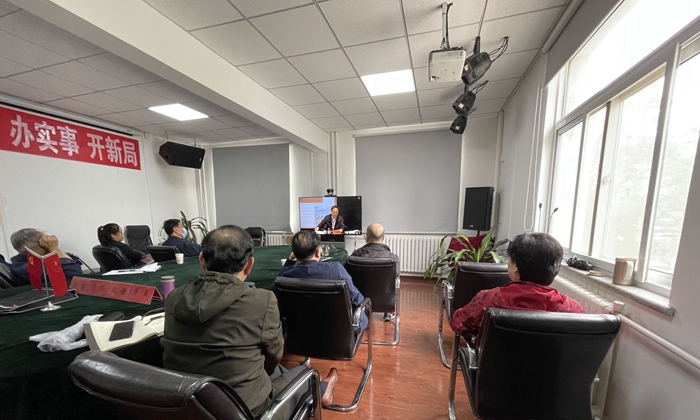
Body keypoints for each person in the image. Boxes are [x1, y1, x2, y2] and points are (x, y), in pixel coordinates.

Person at [161, 225, 338, 417]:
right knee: (305, 374)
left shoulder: (173, 298)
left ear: (201, 259)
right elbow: (273, 356)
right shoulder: (262, 300)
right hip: (248, 410)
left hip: (187, 408)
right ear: (249, 265)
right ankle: (322, 387)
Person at [451, 232, 585, 340]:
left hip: (497, 366)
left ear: (515, 267)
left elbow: (459, 324)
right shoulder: (572, 309)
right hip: (552, 367)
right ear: (555, 271)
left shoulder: (488, 299)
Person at [280, 230, 368, 331]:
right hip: (337, 332)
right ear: (318, 252)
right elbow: (356, 298)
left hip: (301, 331)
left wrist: (290, 260)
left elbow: (281, 275)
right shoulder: (336, 269)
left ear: (295, 253)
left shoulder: (286, 274)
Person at [351, 223, 400, 321]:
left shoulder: (355, 255)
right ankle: (388, 312)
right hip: (385, 301)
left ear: (366, 236)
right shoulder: (393, 258)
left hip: (361, 300)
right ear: (383, 237)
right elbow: (395, 277)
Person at [8, 228, 83, 287]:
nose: (50, 243)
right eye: (45, 242)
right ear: (35, 248)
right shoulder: (26, 268)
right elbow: (74, 277)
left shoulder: (33, 259)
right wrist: (54, 248)